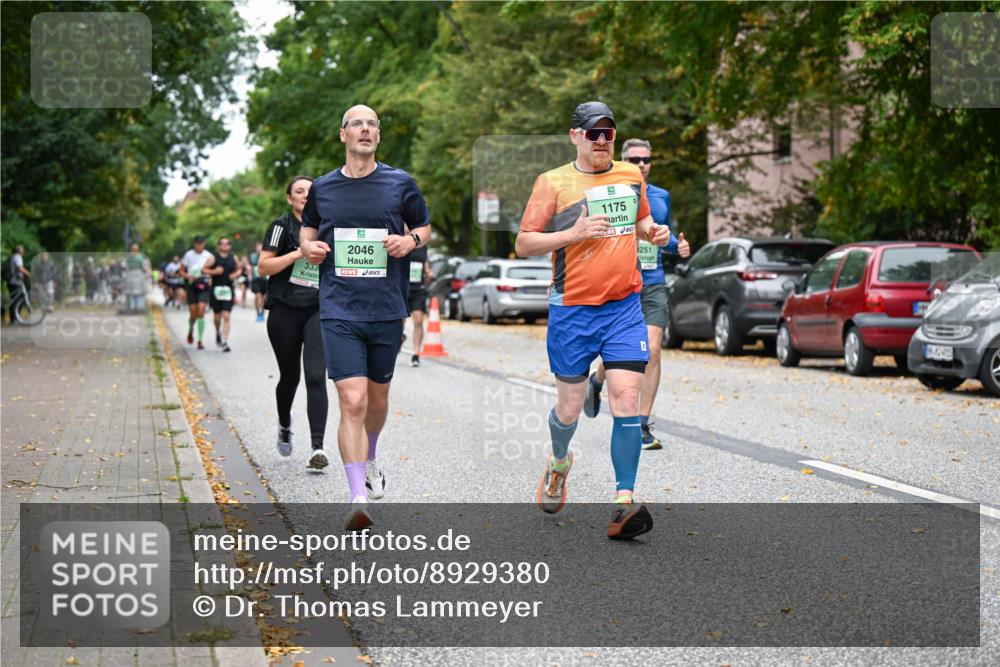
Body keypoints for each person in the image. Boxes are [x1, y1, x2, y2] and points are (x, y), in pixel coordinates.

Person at [515, 101, 672, 540]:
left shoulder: (628, 176)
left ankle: (623, 503)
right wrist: (573, 234)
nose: (602, 141)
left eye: (609, 133)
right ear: (575, 136)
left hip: (623, 306)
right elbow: (524, 242)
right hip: (572, 310)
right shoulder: (553, 183)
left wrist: (653, 232)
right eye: (593, 133)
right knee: (568, 409)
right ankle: (559, 462)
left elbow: (642, 222)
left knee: (626, 397)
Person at [300, 104, 431, 531]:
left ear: (378, 135)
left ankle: (370, 454)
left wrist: (409, 241)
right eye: (357, 123)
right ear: (343, 135)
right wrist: (308, 248)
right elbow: (308, 229)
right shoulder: (322, 188)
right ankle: (358, 497)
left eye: (372, 124)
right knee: (351, 400)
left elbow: (424, 227)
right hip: (338, 307)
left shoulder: (399, 183)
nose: (365, 129)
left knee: (376, 401)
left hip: (386, 308)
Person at [584, 138, 691, 450]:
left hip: (653, 281)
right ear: (622, 159)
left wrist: (677, 246)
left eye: (646, 160)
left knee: (653, 350)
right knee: (624, 350)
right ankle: (597, 381)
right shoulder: (607, 192)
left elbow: (661, 236)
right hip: (619, 282)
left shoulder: (661, 197)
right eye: (634, 159)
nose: (641, 165)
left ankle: (643, 425)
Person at [259, 175, 330, 471]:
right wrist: (298, 252)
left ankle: (317, 447)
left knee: (315, 375)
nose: (304, 195)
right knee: (290, 377)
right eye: (298, 191)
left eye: (309, 191)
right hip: (285, 309)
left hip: (317, 309)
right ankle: (285, 424)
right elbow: (264, 266)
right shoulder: (280, 226)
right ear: (290, 198)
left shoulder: (330, 225)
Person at [178, 235, 215, 349]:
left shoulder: (209, 256)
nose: (199, 246)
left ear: (204, 244)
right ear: (194, 244)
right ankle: (190, 329)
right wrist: (188, 276)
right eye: (197, 243)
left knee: (201, 310)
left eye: (201, 243)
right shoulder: (188, 255)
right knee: (193, 313)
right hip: (191, 286)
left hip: (203, 286)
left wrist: (210, 279)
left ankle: (200, 340)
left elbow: (212, 270)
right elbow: (181, 270)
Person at [205, 236, 241, 352]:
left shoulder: (233, 258)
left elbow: (240, 269)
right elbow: (203, 270)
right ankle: (217, 332)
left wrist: (235, 275)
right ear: (219, 246)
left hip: (228, 290)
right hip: (216, 290)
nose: (225, 245)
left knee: (226, 316)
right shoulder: (213, 258)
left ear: (230, 246)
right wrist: (214, 272)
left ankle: (225, 342)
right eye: (222, 243)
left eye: (227, 243)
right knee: (217, 317)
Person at [406, 245, 432, 367]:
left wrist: (428, 272)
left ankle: (416, 354)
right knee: (399, 321)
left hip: (418, 289)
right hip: (403, 288)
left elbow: (425, 264)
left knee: (418, 319)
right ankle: (400, 337)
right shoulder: (401, 241)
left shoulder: (423, 247)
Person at [5, 245, 31, 323]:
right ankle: (15, 319)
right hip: (16, 282)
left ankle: (14, 319)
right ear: (19, 251)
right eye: (22, 250)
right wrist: (28, 273)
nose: (23, 251)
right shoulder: (17, 257)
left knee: (14, 300)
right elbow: (20, 268)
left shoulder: (12, 256)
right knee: (18, 300)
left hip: (11, 281)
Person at [124, 243, 151, 312]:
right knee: (140, 292)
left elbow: (126, 268)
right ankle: (139, 306)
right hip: (139, 274)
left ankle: (133, 306)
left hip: (130, 274)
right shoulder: (141, 257)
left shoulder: (128, 257)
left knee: (132, 292)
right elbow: (145, 267)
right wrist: (147, 274)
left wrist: (126, 276)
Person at [249, 242, 267, 322]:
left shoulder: (267, 255)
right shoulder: (252, 256)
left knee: (264, 298)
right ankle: (258, 313)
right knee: (258, 296)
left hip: (265, 279)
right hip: (256, 279)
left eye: (261, 247)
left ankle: (262, 312)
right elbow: (249, 266)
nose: (259, 248)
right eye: (258, 247)